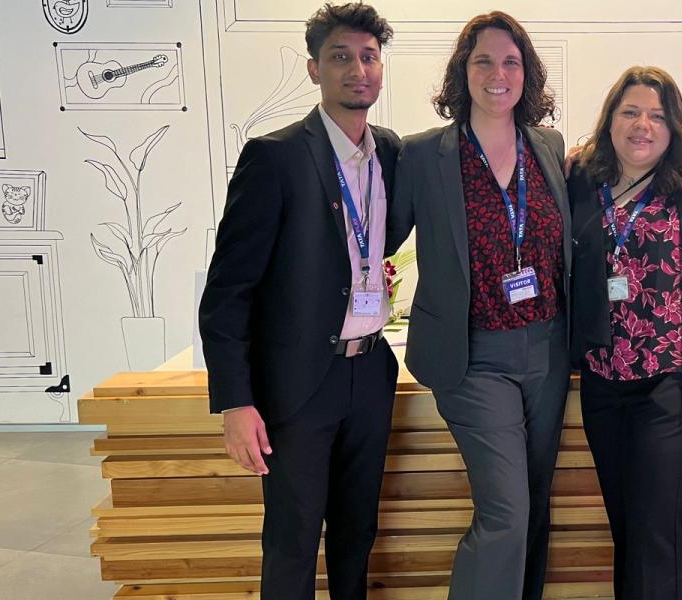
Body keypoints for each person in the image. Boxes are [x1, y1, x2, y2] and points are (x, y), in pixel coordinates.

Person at [198, 3, 400, 598]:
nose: (357, 69)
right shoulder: (275, 157)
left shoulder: (389, 152)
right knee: (292, 539)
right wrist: (235, 401)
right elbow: (227, 292)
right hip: (298, 381)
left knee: (356, 535)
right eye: (340, 57)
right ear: (314, 69)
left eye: (368, 56)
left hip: (370, 372)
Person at [385, 11, 570, 600]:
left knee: (535, 506)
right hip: (472, 356)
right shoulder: (421, 156)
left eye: (511, 61)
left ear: (527, 73)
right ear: (462, 72)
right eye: (483, 60)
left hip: (546, 346)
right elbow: (375, 240)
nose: (498, 73)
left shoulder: (548, 146)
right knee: (506, 512)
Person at [567, 66, 682, 600]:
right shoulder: (579, 179)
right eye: (631, 112)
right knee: (626, 519)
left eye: (659, 116)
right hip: (603, 375)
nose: (644, 126)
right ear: (610, 119)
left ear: (675, 126)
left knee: (656, 519)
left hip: (675, 377)